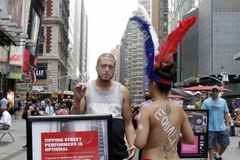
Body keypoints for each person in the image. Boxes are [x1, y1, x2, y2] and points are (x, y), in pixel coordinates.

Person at [71, 53, 136, 160]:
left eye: (110, 67)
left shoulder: (123, 91)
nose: (107, 69)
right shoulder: (85, 89)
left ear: (114, 69)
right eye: (103, 66)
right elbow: (74, 119)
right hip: (91, 151)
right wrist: (77, 100)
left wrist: (132, 144)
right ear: (97, 67)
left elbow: (128, 124)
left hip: (118, 152)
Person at [134, 61, 195, 160]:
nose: (147, 85)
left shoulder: (146, 109)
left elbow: (140, 143)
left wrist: (135, 136)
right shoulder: (179, 110)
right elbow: (190, 139)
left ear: (153, 84)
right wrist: (172, 134)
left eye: (148, 82)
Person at [201, 85, 230, 160]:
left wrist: (227, 125)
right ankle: (212, 158)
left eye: (216, 91)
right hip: (210, 127)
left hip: (221, 127)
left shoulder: (223, 101)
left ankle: (218, 154)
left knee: (225, 143)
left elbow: (226, 114)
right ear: (211, 92)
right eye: (213, 91)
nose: (214, 92)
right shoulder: (206, 102)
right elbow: (203, 114)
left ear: (218, 92)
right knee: (211, 145)